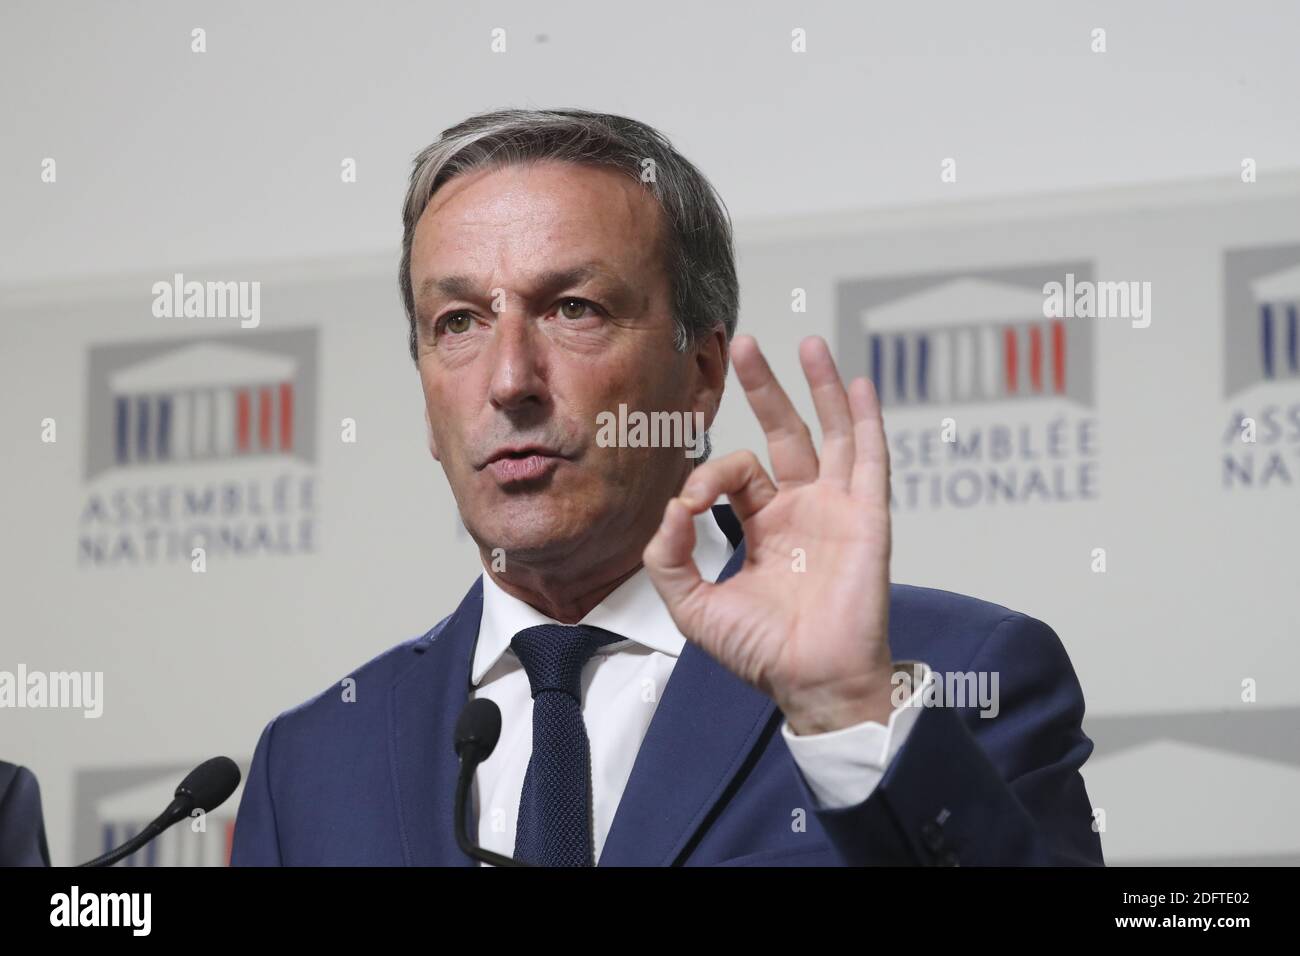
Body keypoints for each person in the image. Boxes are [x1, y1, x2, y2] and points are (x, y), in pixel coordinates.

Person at [231, 107, 1103, 866]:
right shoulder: (310, 765)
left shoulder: (948, 677)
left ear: (700, 374)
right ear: (426, 396)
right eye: (456, 323)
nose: (508, 380)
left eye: (574, 308)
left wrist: (844, 713)